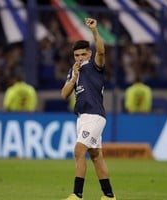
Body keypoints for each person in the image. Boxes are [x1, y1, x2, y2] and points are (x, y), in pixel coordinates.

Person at [61, 18, 116, 200]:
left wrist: (94, 31)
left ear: (89, 54)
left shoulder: (96, 66)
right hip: (82, 118)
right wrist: (73, 76)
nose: (79, 59)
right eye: (76, 56)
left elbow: (101, 50)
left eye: (83, 55)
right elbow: (64, 94)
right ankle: (109, 196)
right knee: (96, 156)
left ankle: (77, 195)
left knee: (78, 150)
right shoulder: (74, 71)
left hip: (95, 116)